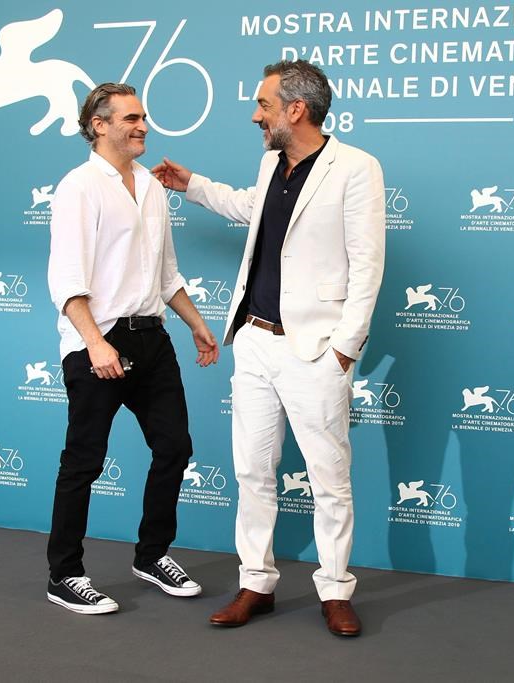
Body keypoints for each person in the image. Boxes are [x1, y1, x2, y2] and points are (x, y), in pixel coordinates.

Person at [153, 60, 386, 636]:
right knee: (253, 472)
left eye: (263, 105)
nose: (255, 115)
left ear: (295, 110)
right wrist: (194, 187)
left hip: (315, 350)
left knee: (329, 477)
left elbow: (368, 265)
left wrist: (344, 351)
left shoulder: (356, 168)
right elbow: (251, 210)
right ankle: (256, 583)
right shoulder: (269, 164)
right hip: (254, 341)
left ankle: (335, 590)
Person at [45, 82, 219, 615]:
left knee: (174, 447)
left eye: (144, 117)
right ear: (99, 125)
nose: (143, 126)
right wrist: (95, 343)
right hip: (98, 340)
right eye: (131, 118)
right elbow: (67, 279)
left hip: (152, 335)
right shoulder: (79, 187)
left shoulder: (150, 185)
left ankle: (152, 555)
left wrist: (195, 323)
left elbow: (164, 272)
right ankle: (64, 574)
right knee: (84, 461)